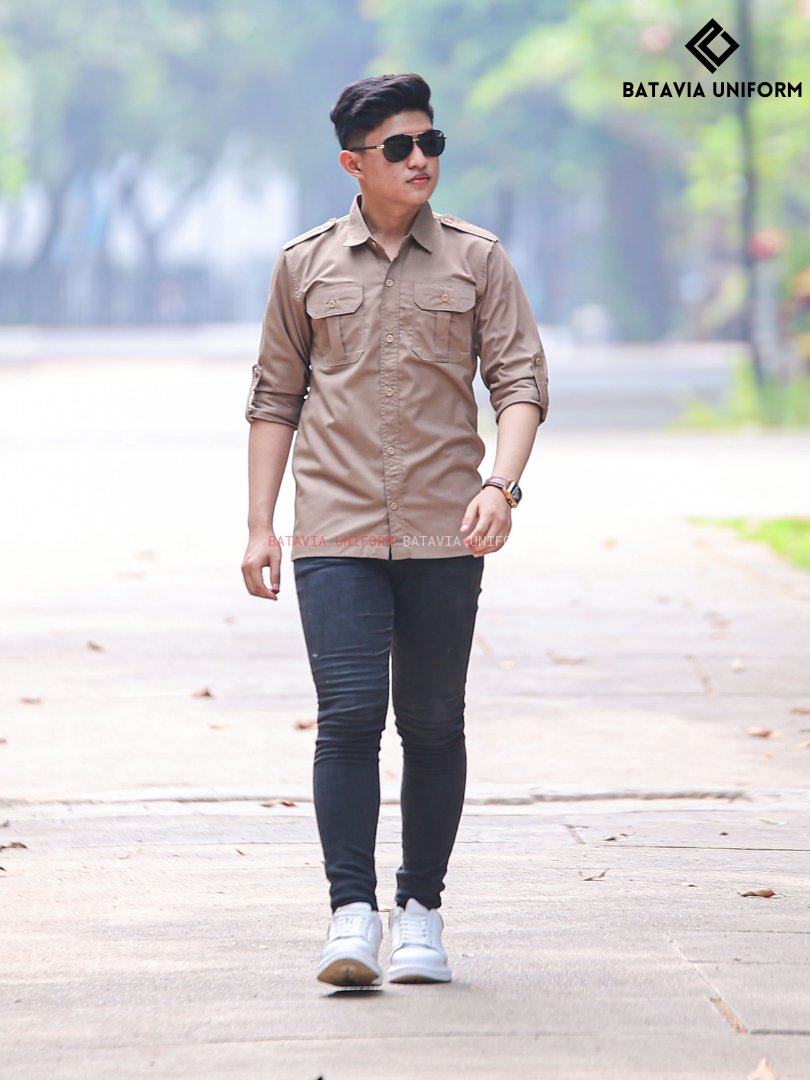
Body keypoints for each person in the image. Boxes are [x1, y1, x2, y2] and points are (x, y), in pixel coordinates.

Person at [241, 73, 548, 987]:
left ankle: (420, 911)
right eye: (400, 147)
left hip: (447, 531)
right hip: (332, 531)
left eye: (431, 142)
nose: (421, 160)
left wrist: (502, 486)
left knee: (432, 721)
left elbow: (521, 383)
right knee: (348, 718)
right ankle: (351, 915)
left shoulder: (478, 259)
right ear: (353, 163)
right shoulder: (303, 265)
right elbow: (274, 398)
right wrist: (260, 527)